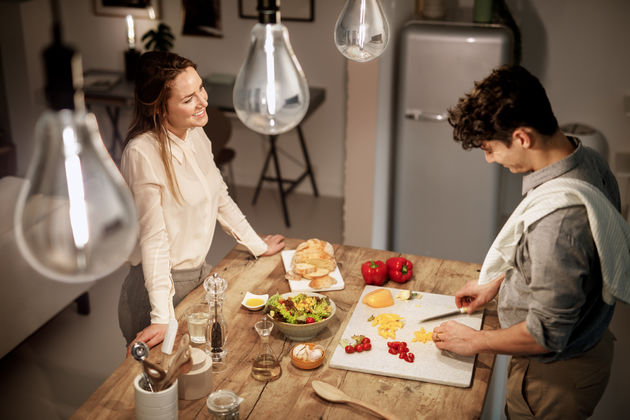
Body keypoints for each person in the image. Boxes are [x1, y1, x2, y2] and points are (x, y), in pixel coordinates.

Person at [435, 65, 630, 418]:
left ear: (522, 138)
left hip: (555, 378)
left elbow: (546, 334)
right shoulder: (587, 160)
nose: (489, 159)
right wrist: (496, 282)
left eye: (490, 148)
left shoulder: (558, 225)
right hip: (589, 341)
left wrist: (475, 341)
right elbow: (572, 262)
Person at [118, 51, 285, 354]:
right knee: (168, 391)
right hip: (156, 293)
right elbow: (153, 240)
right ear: (159, 108)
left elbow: (218, 195)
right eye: (187, 99)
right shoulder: (142, 153)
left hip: (197, 277)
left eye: (201, 88)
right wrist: (161, 317)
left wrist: (257, 245)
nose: (203, 102)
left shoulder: (196, 134)